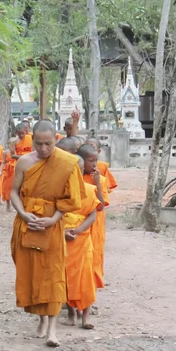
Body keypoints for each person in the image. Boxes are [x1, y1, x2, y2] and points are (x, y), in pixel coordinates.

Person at [10, 120, 85, 347]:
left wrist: (53, 219)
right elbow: (14, 192)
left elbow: (72, 199)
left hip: (52, 226)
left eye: (49, 144)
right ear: (32, 140)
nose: (44, 149)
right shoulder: (24, 162)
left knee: (53, 276)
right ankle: (41, 319)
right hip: (27, 225)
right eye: (40, 144)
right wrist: (23, 214)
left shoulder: (66, 163)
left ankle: (53, 330)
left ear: (56, 140)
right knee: (33, 274)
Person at [56, 138, 100, 329]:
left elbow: (93, 215)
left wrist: (79, 230)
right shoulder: (61, 191)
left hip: (83, 240)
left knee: (85, 277)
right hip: (65, 240)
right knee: (67, 277)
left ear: (82, 172)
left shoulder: (90, 190)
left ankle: (86, 316)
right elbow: (56, 215)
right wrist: (65, 231)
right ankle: (72, 314)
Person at [77, 144, 108, 290]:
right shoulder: (74, 178)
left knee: (93, 259)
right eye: (91, 161)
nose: (95, 164)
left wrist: (97, 185)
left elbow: (101, 206)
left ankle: (90, 296)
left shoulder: (100, 180)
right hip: (77, 223)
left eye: (96, 160)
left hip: (94, 225)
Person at [0, 134, 17, 212]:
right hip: (8, 172)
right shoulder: (5, 152)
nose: (13, 147)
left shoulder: (18, 153)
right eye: (12, 145)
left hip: (16, 172)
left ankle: (15, 205)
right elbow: (3, 162)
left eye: (15, 145)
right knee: (7, 188)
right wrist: (0, 172)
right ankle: (8, 204)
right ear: (9, 144)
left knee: (16, 189)